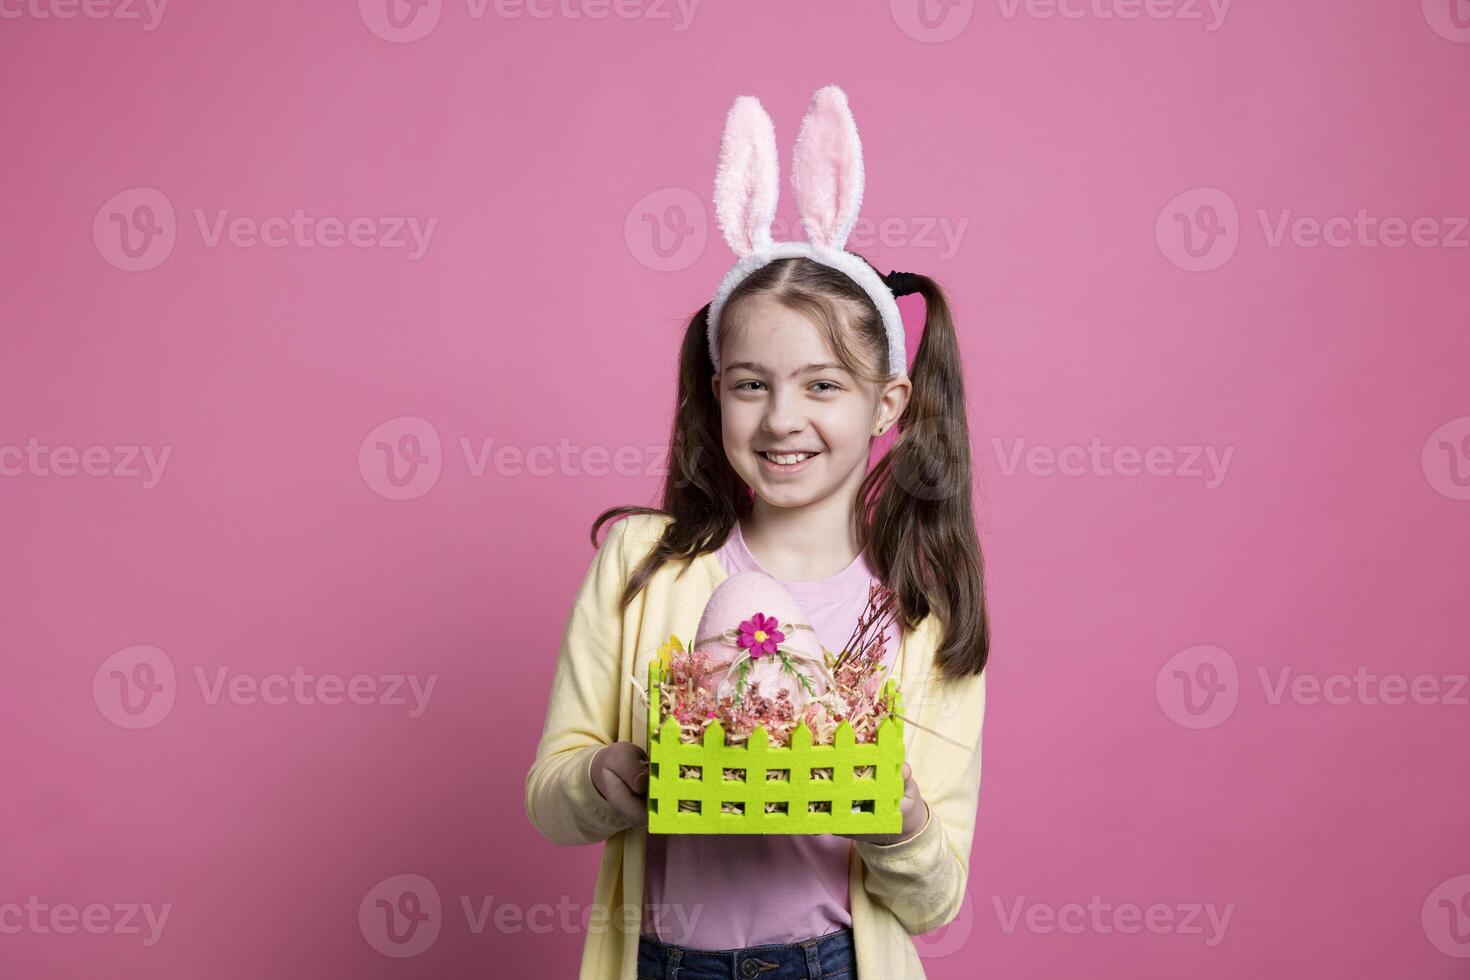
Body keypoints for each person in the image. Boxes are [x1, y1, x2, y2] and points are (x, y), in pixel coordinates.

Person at [526, 85, 990, 980]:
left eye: (823, 385)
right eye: (750, 384)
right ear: (715, 394)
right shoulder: (641, 566)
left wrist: (898, 817)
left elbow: (936, 900)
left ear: (886, 403)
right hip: (662, 961)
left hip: (834, 962)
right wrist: (602, 780)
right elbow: (550, 799)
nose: (783, 419)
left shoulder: (918, 609)